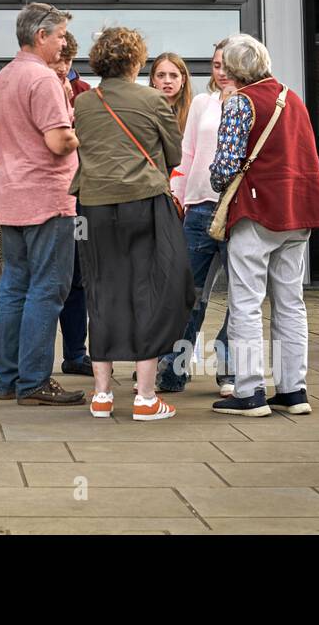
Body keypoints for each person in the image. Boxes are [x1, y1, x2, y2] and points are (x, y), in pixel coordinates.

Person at [72, 26, 192, 421]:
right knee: (151, 291)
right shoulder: (153, 99)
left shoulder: (85, 103)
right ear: (137, 61)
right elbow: (173, 154)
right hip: (144, 202)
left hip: (92, 208)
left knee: (100, 290)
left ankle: (102, 395)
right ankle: (144, 397)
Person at [209, 33, 319, 416]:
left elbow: (224, 169)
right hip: (298, 211)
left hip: (255, 211)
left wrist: (216, 181)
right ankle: (293, 390)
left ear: (232, 69)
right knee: (290, 303)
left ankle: (249, 392)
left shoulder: (240, 103)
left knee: (246, 304)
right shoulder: (292, 99)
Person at [0, 2, 83, 406]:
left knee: (14, 288)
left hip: (11, 198)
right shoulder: (42, 79)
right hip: (47, 197)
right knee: (48, 289)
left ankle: (8, 379)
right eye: (61, 35)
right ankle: (34, 382)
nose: (64, 43)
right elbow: (58, 142)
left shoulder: (4, 76)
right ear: (41, 35)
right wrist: (88, 130)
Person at [159, 39, 237, 394]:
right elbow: (186, 154)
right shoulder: (202, 104)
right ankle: (173, 370)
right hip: (199, 208)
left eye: (227, 64)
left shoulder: (250, 103)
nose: (220, 72)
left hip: (238, 210)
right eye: (216, 65)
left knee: (240, 296)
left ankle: (229, 370)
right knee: (189, 296)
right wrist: (177, 199)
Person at [54, 32, 93, 376]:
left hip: (79, 197)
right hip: (42, 197)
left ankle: (75, 353)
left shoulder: (86, 94)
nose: (61, 67)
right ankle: (27, 361)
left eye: (66, 61)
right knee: (43, 279)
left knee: (77, 278)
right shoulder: (34, 87)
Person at [150, 52, 191, 136]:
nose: (167, 81)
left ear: (183, 79)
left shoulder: (193, 111)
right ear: (153, 79)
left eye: (174, 76)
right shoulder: (144, 112)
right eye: (161, 75)